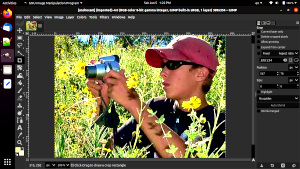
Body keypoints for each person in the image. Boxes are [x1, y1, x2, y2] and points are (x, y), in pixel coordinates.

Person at [86, 36, 225, 158]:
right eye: (163, 66)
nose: (162, 73)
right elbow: (105, 151)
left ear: (201, 73)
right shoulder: (154, 107)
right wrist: (101, 104)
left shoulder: (220, 123)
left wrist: (132, 101)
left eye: (172, 64)